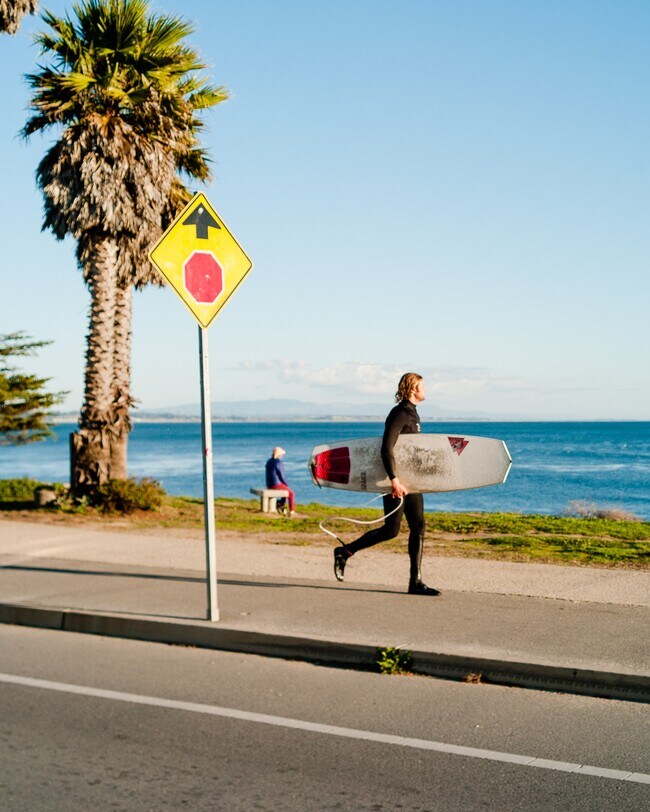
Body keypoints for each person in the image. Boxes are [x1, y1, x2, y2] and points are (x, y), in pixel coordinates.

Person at [333, 373, 440, 596]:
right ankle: (345, 551)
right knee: (391, 530)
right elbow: (386, 448)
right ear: (412, 388)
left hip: (411, 482)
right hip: (396, 482)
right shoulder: (400, 413)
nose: (426, 390)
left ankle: (415, 582)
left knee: (418, 526)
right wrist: (394, 480)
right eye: (423, 386)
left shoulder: (413, 412)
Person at [265, 446, 296, 515]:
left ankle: (280, 505)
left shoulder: (269, 461)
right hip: (275, 484)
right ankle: (291, 511)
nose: (282, 455)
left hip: (269, 484)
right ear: (279, 454)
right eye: (282, 454)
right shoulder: (278, 463)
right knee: (291, 493)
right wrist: (286, 484)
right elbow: (282, 476)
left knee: (284, 489)